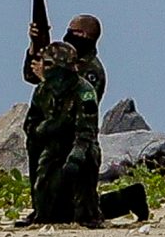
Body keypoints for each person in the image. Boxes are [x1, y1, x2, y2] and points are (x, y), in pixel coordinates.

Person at [22, 14, 149, 224]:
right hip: (51, 139)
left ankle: (129, 198)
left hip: (75, 141)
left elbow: (77, 111)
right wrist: (35, 45)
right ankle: (41, 211)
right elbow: (30, 76)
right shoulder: (60, 59)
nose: (68, 35)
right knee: (55, 206)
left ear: (85, 36)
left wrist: (48, 79)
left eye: (74, 32)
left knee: (81, 210)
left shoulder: (92, 72)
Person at [23, 41, 104, 226]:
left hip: (79, 145)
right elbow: (31, 122)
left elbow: (87, 130)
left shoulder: (84, 92)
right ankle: (41, 212)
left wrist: (75, 157)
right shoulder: (43, 90)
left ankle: (89, 215)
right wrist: (43, 130)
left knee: (85, 173)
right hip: (54, 144)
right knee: (44, 185)